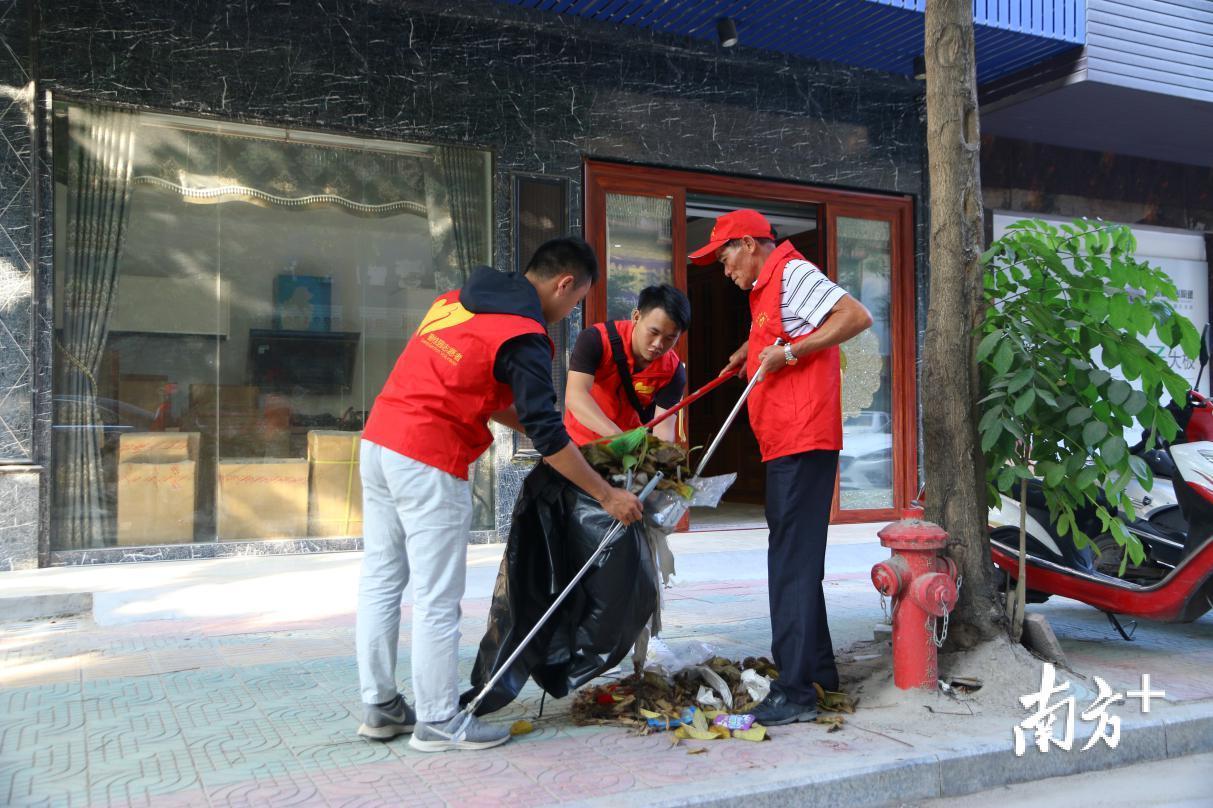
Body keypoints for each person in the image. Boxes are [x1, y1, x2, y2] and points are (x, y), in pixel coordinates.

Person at [356, 237, 642, 752]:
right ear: (564, 284)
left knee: (381, 579)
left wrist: (569, 441)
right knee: (436, 598)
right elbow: (545, 433)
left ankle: (380, 705)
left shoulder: (457, 300)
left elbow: (491, 399)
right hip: (428, 457)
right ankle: (440, 720)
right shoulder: (524, 333)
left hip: (380, 441)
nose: (567, 315)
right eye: (575, 304)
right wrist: (606, 494)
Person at [689, 209, 873, 726]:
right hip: (788, 440)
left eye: (724, 256)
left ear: (749, 244)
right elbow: (783, 330)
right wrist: (749, 352)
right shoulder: (768, 286)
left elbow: (855, 316)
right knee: (797, 558)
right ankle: (816, 672)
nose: (723, 269)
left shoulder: (792, 272)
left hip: (801, 438)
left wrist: (789, 354)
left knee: (788, 563)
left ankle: (794, 691)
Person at [564, 284, 690, 445]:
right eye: (653, 332)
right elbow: (576, 397)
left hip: (628, 457)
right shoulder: (596, 340)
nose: (658, 344)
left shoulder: (673, 371)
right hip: (580, 446)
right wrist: (619, 437)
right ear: (636, 317)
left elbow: (663, 429)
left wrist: (658, 457)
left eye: (669, 338)